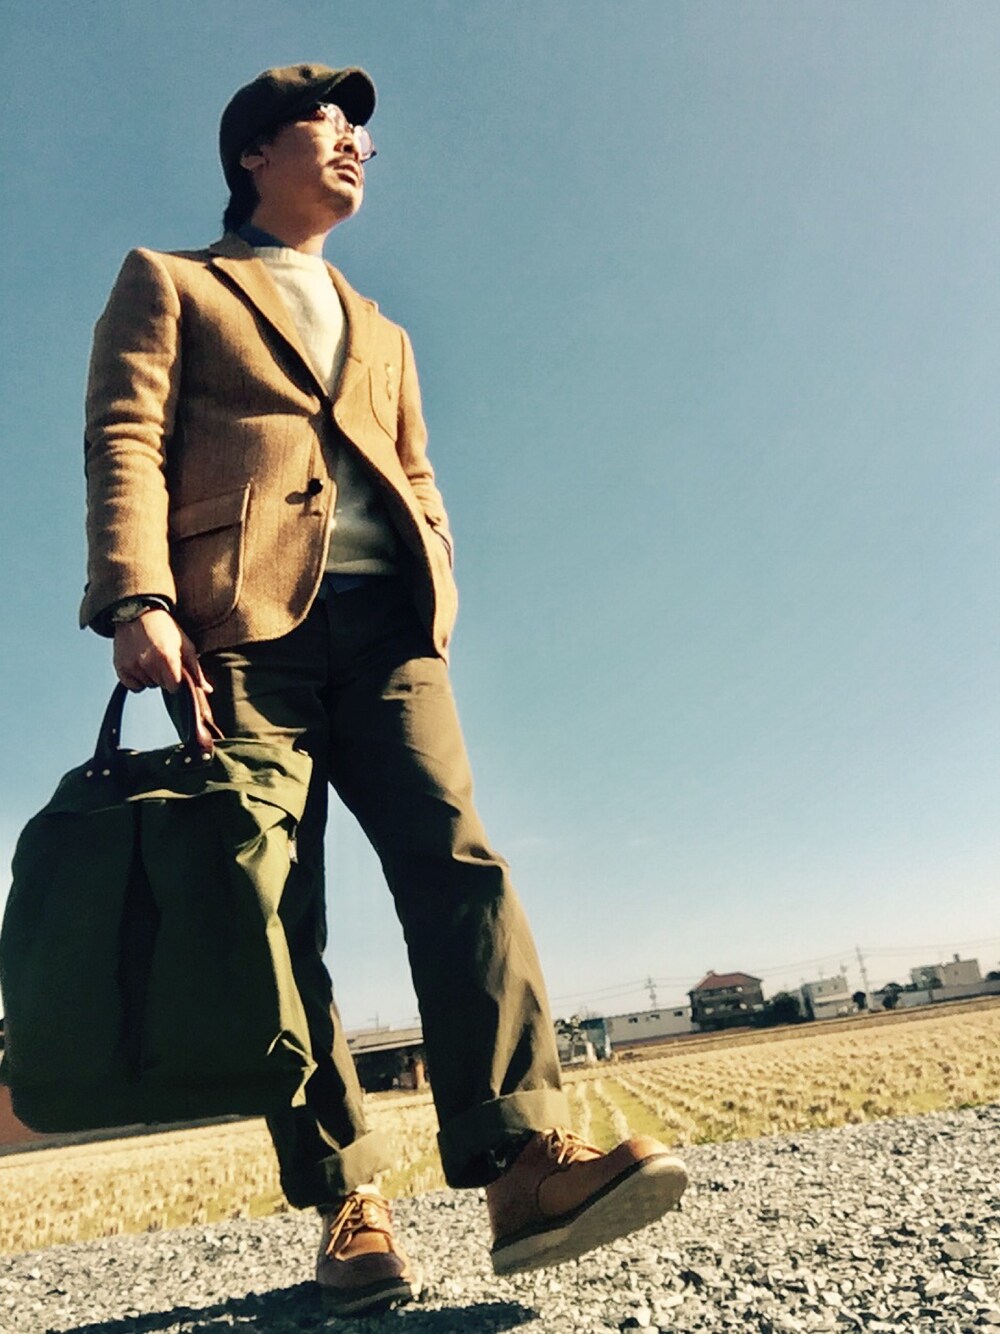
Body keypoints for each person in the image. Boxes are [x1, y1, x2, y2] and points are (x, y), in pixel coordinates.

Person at [81, 62, 688, 1316]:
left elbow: (415, 470)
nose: (357, 143)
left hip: (389, 632)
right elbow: (125, 436)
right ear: (254, 152)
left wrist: (439, 580)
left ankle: (522, 1165)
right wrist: (137, 596)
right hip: (235, 631)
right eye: (329, 123)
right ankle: (346, 1200)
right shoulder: (172, 279)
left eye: (364, 130)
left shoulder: (387, 331)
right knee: (274, 906)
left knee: (457, 862)